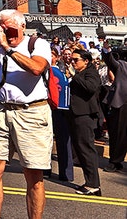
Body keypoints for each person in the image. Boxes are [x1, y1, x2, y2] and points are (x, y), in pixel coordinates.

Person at [0, 9, 52, 219]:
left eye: (10, 28)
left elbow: (36, 68)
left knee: (33, 174)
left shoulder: (36, 44)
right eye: (1, 28)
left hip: (31, 112)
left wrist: (7, 47)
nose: (6, 33)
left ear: (22, 26)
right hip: (0, 110)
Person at [66, 49, 102, 195]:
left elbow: (91, 88)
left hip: (85, 115)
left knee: (87, 149)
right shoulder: (80, 73)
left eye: (76, 60)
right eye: (72, 60)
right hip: (75, 113)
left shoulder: (90, 73)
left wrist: (75, 76)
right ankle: (89, 182)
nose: (73, 62)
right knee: (80, 149)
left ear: (86, 61)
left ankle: (94, 184)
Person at [47, 47, 74, 182]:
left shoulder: (64, 70)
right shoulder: (44, 70)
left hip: (63, 107)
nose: (50, 57)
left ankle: (66, 173)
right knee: (46, 140)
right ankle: (45, 169)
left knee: (64, 141)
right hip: (47, 107)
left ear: (57, 57)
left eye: (53, 55)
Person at [102, 42, 127, 173]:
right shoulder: (121, 65)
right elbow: (110, 60)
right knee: (117, 133)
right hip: (121, 103)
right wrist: (106, 50)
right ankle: (115, 161)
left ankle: (118, 160)